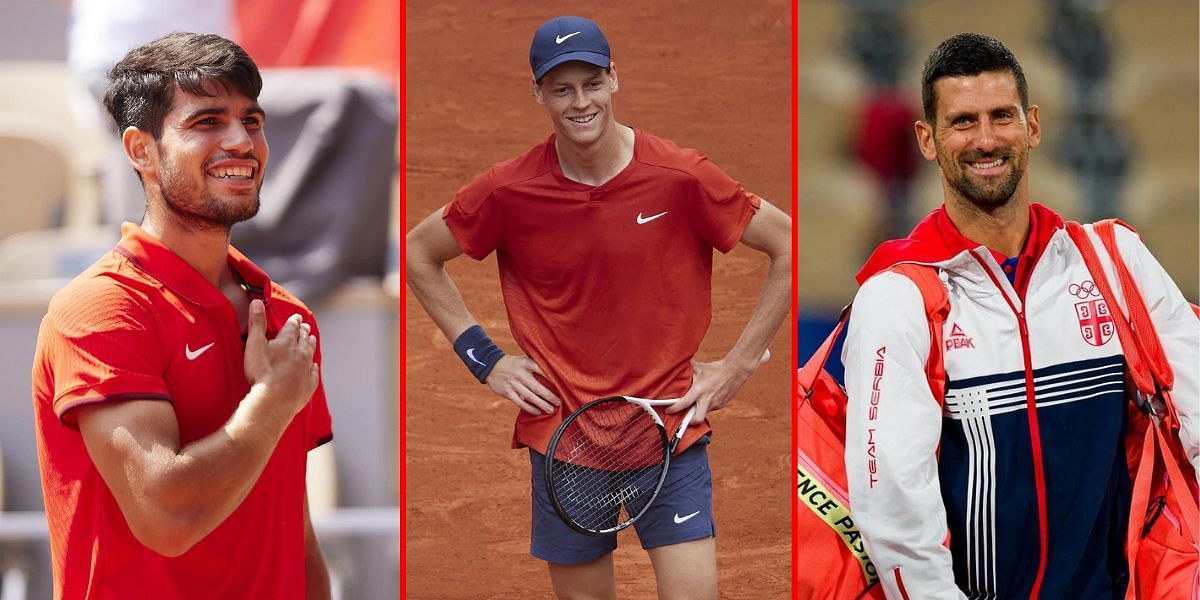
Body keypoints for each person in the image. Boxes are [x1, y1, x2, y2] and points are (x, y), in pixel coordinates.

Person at [406, 15, 790, 600]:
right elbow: (418, 252)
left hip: (670, 430)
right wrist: (485, 359)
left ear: (614, 80)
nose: (579, 101)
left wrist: (739, 363)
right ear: (538, 93)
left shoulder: (678, 177)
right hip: (565, 436)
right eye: (562, 88)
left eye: (591, 82)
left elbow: (785, 242)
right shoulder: (510, 190)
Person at [843, 33, 1198, 599]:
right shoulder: (898, 297)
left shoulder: (1114, 260)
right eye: (962, 122)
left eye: (1001, 116)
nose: (986, 140)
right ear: (927, 140)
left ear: (1032, 126)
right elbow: (894, 509)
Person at [31, 32, 333, 598]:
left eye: (253, 119)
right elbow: (167, 518)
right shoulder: (100, 309)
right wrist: (270, 403)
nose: (242, 141)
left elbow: (294, 532)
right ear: (140, 150)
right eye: (207, 122)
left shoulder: (288, 316)